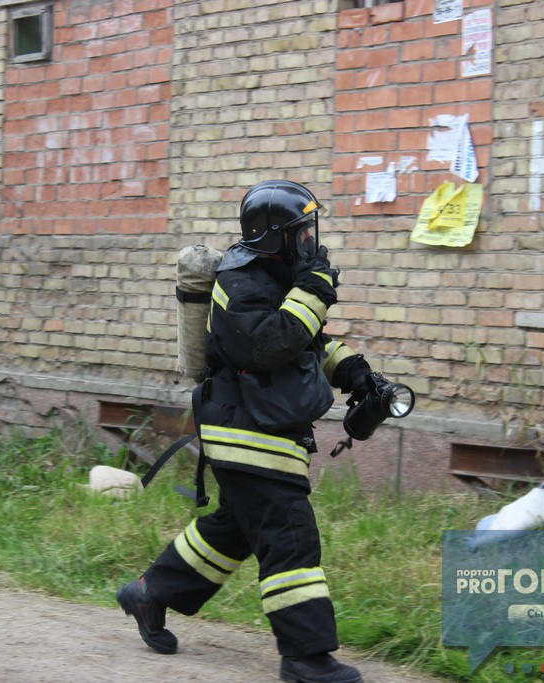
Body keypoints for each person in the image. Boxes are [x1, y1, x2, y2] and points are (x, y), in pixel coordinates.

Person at [117, 180, 378, 683]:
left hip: (266, 430)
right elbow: (270, 345)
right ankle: (305, 656)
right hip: (249, 436)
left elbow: (308, 345)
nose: (310, 243)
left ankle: (150, 593)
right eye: (300, 235)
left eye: (310, 232)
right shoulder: (238, 285)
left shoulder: (279, 277)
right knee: (290, 539)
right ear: (273, 236)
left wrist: (357, 372)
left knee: (234, 529)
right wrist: (316, 291)